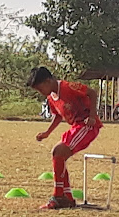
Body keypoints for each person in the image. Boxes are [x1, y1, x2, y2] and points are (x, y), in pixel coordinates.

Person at [27, 66, 101, 209]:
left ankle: (59, 195)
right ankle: (67, 197)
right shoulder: (51, 97)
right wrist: (47, 132)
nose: (40, 92)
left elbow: (92, 93)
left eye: (40, 88)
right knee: (59, 155)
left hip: (87, 125)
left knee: (58, 151)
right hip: (76, 127)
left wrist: (92, 115)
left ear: (48, 81)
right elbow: (58, 116)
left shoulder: (68, 87)